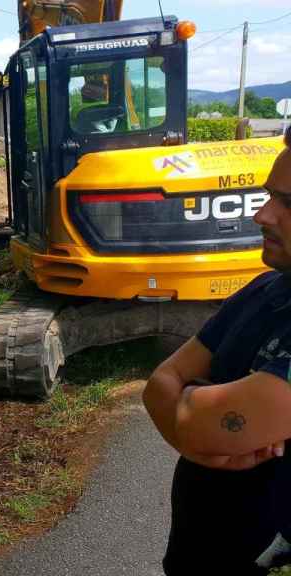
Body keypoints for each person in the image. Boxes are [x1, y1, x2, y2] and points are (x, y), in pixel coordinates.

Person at [144, 129, 291, 574]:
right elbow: (158, 385)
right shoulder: (265, 290)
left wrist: (191, 408)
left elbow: (198, 417)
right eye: (269, 197)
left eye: (289, 203)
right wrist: (194, 419)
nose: (263, 215)